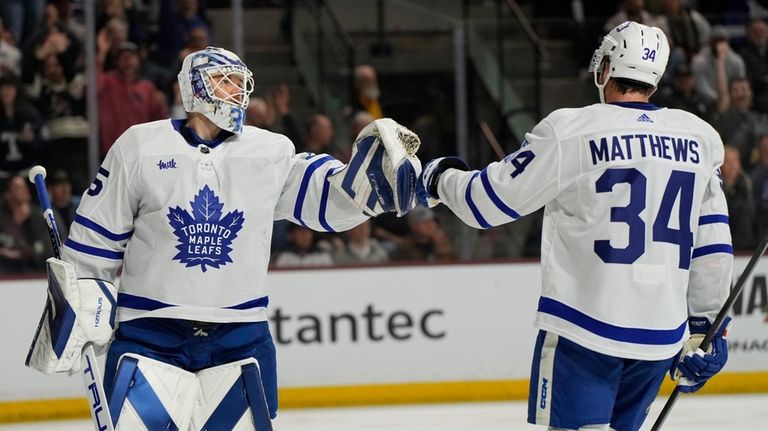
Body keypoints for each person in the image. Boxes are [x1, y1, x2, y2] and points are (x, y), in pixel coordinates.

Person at [25, 46, 420, 427]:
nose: (237, 91)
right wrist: (82, 301)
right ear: (193, 87)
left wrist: (364, 187)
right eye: (224, 81)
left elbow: (324, 197)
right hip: (150, 332)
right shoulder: (139, 146)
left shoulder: (270, 151)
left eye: (239, 82)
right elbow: (96, 240)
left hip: (240, 336)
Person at [419, 22, 733, 431]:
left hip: (584, 330)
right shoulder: (700, 138)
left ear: (605, 68)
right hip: (658, 337)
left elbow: (488, 204)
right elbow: (711, 242)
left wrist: (437, 179)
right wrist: (709, 328)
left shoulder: (572, 130)